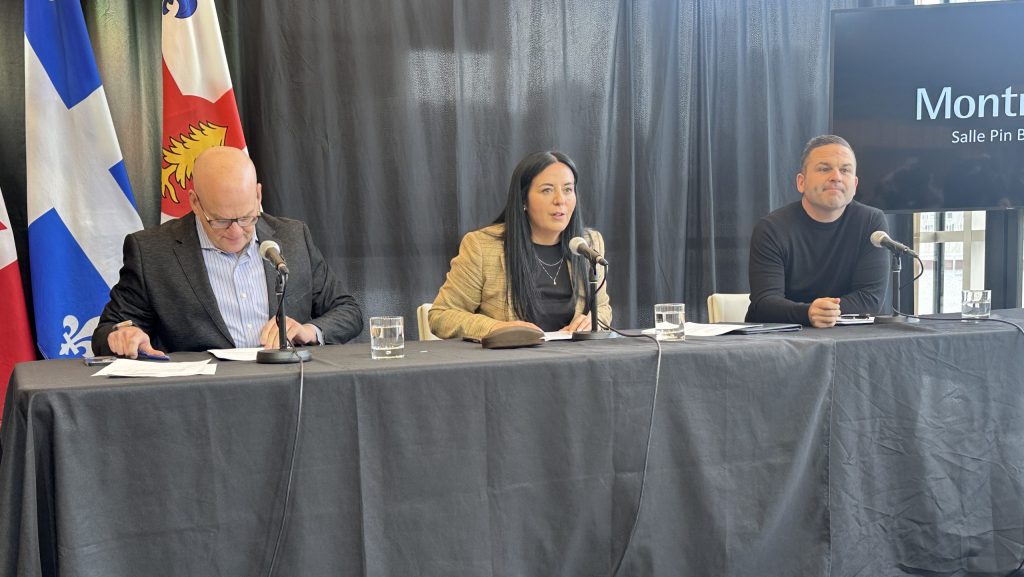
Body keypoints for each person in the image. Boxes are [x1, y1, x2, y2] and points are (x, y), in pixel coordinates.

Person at [93, 147, 362, 357]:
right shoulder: (151, 251)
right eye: (220, 220)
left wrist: (308, 331)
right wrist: (123, 336)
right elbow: (107, 331)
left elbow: (348, 311)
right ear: (195, 202)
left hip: (289, 392)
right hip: (200, 403)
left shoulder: (293, 238)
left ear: (258, 196)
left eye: (247, 218)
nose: (235, 232)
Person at [429, 151, 612, 340]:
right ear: (524, 199)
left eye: (568, 189)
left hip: (574, 362)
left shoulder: (588, 245)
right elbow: (442, 315)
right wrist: (498, 328)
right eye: (547, 190)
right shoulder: (482, 246)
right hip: (511, 363)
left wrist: (593, 321)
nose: (560, 200)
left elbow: (603, 307)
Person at [746, 135, 889, 328]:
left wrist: (824, 312)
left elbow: (870, 299)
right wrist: (808, 312)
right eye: (824, 168)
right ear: (801, 182)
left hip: (848, 338)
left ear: (854, 185)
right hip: (781, 340)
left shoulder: (871, 222)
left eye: (845, 170)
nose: (836, 177)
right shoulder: (772, 229)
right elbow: (765, 303)